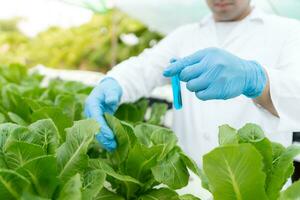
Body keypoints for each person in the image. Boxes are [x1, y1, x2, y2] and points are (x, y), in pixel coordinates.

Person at [85, 0, 300, 164]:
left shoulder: (289, 31)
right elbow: (145, 67)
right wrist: (114, 82)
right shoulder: (185, 35)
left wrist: (256, 79)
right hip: (189, 184)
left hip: (258, 187)